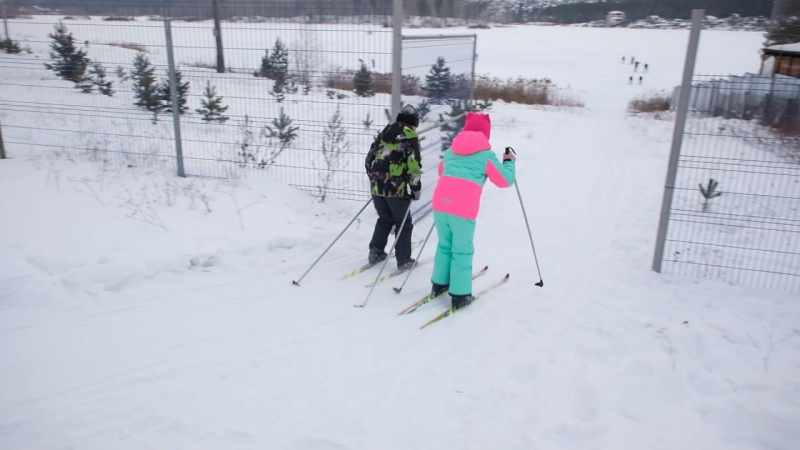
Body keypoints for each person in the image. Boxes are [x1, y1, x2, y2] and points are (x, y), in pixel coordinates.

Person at [430, 112, 516, 309]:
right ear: (486, 133)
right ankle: (460, 296)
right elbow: (505, 181)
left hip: (440, 204)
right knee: (462, 250)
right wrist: (509, 162)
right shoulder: (486, 155)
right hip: (462, 209)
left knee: (444, 245)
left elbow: (441, 171)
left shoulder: (451, 151)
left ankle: (439, 284)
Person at [364, 104, 422, 271]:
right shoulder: (410, 138)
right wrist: (415, 188)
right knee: (403, 223)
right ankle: (404, 261)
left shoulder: (383, 134)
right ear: (412, 124)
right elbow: (414, 166)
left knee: (385, 219)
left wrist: (375, 179)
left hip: (377, 187)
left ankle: (376, 252)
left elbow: (369, 160)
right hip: (396, 189)